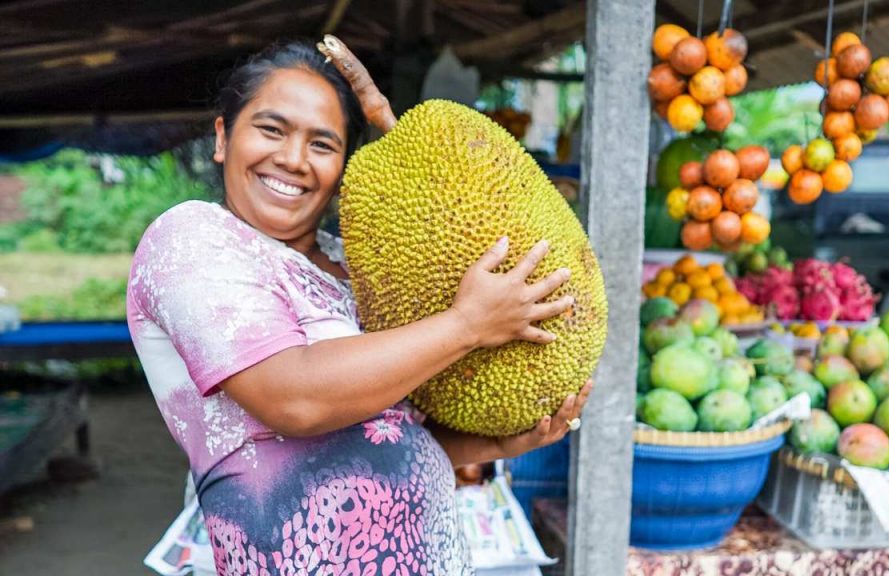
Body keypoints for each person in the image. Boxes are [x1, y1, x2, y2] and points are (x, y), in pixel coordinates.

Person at [127, 40, 592, 576]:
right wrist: (467, 325)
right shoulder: (192, 241)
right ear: (222, 136)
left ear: (344, 165)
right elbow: (295, 400)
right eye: (271, 130)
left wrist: (493, 442)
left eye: (323, 144)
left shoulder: (360, 263)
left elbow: (386, 433)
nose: (293, 159)